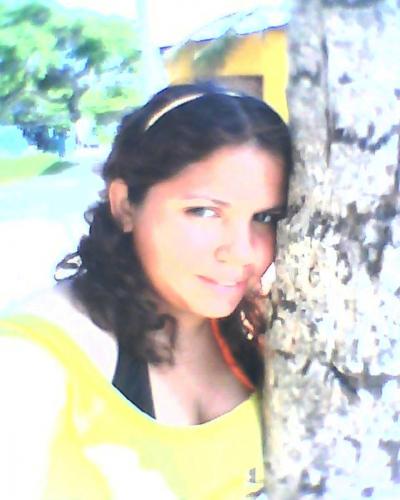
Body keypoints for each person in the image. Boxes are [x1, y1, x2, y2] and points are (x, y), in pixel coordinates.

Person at [0, 82, 292, 499]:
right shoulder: (31, 359)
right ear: (124, 205)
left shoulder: (258, 335)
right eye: (204, 211)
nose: (242, 252)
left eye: (264, 217)